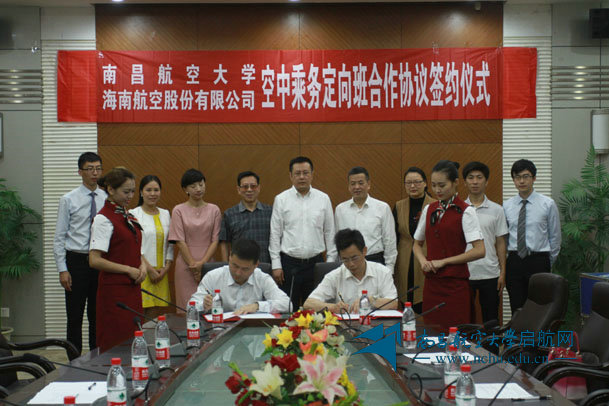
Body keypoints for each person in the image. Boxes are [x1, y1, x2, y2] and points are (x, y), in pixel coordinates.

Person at [412, 160, 485, 332]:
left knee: (455, 334)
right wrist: (423, 261)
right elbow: (416, 244)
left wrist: (444, 261)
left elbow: (480, 250)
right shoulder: (429, 209)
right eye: (434, 185)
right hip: (432, 284)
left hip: (455, 286)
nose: (437, 190)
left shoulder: (466, 211)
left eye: (442, 185)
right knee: (432, 332)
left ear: (455, 183)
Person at [53, 152, 106, 353]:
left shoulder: (106, 198)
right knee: (75, 316)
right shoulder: (68, 199)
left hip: (99, 260)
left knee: (97, 315)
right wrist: (62, 269)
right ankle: (74, 361)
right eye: (90, 169)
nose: (95, 173)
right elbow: (59, 236)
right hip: (76, 261)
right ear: (80, 172)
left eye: (98, 168)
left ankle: (95, 357)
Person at [89, 167, 147, 351]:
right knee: (116, 340)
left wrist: (143, 265)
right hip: (114, 291)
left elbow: (133, 249)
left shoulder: (127, 215)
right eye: (126, 192)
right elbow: (94, 260)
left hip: (132, 288)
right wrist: (128, 269)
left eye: (132, 191)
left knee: (133, 338)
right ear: (111, 190)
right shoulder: (103, 219)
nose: (130, 196)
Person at [269, 156, 337, 310]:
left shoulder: (323, 198)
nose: (301, 177)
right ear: (290, 176)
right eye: (297, 173)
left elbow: (330, 232)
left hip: (316, 264)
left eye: (305, 173)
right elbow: (275, 234)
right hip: (288, 265)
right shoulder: (281, 199)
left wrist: (330, 264)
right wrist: (276, 264)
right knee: (288, 309)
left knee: (315, 310)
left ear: (312, 174)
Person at [503, 159, 561, 313]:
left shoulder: (547, 204)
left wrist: (547, 261)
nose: (521, 181)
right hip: (514, 261)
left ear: (534, 178)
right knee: (517, 308)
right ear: (513, 180)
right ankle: (518, 331)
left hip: (538, 261)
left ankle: (537, 332)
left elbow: (555, 237)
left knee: (539, 308)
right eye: (517, 177)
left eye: (526, 176)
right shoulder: (506, 206)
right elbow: (505, 238)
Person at [303, 229, 397, 313]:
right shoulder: (334, 276)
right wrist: (333, 307)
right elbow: (308, 304)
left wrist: (371, 300)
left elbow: (394, 303)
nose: (351, 264)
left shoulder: (382, 272)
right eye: (345, 259)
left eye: (354, 258)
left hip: (377, 325)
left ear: (364, 251)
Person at [190, 239, 290, 314]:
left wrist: (257, 306)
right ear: (230, 257)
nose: (238, 273)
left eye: (245, 269)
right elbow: (190, 306)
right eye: (235, 265)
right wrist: (203, 305)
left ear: (256, 265)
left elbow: (287, 304)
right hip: (219, 329)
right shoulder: (213, 277)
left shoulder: (262, 278)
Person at [168, 169, 221, 311]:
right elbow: (179, 241)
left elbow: (215, 240)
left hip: (209, 265)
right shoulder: (178, 210)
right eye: (193, 186)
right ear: (185, 189)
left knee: (209, 306)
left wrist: (202, 265)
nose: (198, 189)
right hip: (185, 266)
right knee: (186, 308)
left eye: (201, 184)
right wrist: (194, 266)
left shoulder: (214, 210)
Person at [462, 162, 508, 324]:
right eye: (471, 178)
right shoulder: (459, 210)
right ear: (465, 182)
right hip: (465, 273)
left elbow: (500, 242)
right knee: (465, 319)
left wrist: (502, 272)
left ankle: (491, 343)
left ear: (486, 181)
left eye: (479, 177)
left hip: (491, 273)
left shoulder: (497, 210)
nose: (475, 182)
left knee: (491, 320)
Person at [334, 167, 397, 272]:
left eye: (360, 183)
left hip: (375, 260)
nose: (356, 187)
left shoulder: (382, 208)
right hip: (349, 263)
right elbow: (337, 241)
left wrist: (389, 268)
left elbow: (389, 241)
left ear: (368, 184)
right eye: (353, 184)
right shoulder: (340, 209)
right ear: (348, 186)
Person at [130, 175, 174, 319]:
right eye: (148, 190)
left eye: (156, 190)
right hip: (142, 270)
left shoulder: (165, 213)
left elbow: (170, 243)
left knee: (155, 317)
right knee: (140, 315)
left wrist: (166, 268)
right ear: (141, 192)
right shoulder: (133, 214)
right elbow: (134, 245)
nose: (152, 194)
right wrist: (149, 269)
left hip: (161, 273)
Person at [393, 167, 435, 314]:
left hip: (427, 257)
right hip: (404, 258)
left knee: (425, 298)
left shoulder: (435, 205)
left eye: (417, 182)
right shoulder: (399, 206)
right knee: (406, 296)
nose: (412, 186)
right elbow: (394, 236)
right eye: (408, 183)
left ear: (425, 183)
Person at [219, 171, 272, 264]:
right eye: (245, 187)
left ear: (259, 188)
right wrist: (226, 265)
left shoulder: (270, 212)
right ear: (238, 189)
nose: (249, 190)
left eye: (253, 186)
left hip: (266, 265)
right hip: (240, 267)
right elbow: (224, 242)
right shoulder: (229, 214)